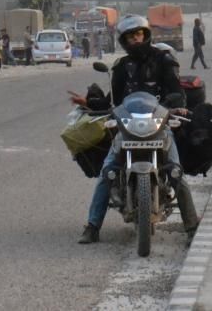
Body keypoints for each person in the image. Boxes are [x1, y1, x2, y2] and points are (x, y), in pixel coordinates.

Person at [69, 15, 199, 244]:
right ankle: (92, 226)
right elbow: (114, 102)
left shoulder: (164, 60)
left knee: (176, 172)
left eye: (138, 34)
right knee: (107, 172)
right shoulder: (121, 67)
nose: (135, 40)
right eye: (130, 37)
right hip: (128, 128)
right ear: (124, 40)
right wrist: (90, 103)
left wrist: (176, 106)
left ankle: (191, 227)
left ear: (146, 35)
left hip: (159, 125)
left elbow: (176, 91)